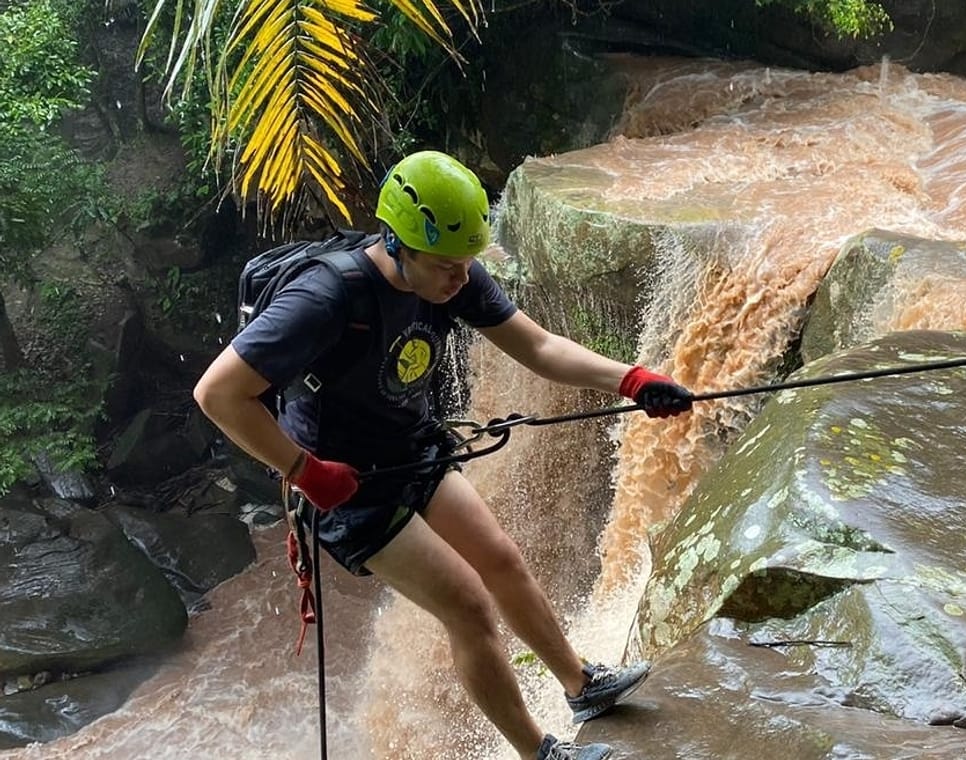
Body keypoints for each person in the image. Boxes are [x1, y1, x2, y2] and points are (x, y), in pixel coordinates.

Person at [193, 150, 693, 760]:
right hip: (345, 490)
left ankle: (580, 684)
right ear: (398, 245)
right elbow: (218, 393)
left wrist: (632, 381)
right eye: (446, 267)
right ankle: (539, 753)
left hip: (411, 452)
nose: (461, 280)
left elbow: (535, 347)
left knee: (501, 560)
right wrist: (303, 470)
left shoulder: (453, 277)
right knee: (469, 605)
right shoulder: (326, 298)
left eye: (467, 264)